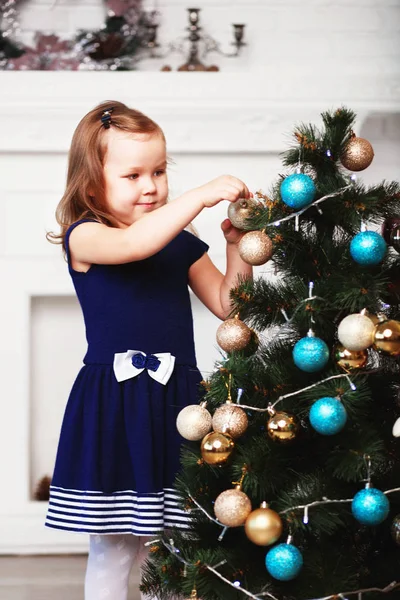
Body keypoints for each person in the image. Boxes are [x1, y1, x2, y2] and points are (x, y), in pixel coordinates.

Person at [45, 100, 253, 600]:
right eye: (133, 174)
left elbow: (229, 306)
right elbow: (135, 246)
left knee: (174, 546)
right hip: (114, 403)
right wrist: (200, 196)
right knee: (115, 546)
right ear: (92, 183)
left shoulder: (179, 243)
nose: (151, 186)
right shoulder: (86, 237)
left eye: (158, 171)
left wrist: (235, 244)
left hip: (177, 403)